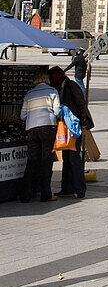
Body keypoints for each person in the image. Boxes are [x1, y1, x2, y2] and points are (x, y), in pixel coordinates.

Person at [48, 65, 93, 200]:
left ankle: (80, 189)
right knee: (67, 158)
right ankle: (66, 188)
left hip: (74, 126)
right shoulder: (59, 87)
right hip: (65, 126)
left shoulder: (70, 85)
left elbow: (81, 104)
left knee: (74, 158)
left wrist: (84, 124)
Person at [20, 68, 61, 203]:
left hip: (32, 128)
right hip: (48, 127)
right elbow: (56, 111)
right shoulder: (52, 92)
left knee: (31, 161)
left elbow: (23, 115)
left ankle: (26, 195)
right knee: (46, 160)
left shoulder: (29, 94)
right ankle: (46, 194)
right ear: (46, 80)